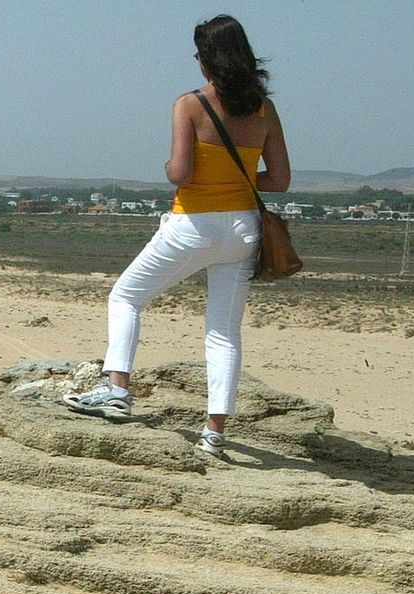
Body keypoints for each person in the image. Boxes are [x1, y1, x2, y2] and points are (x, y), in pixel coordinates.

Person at [64, 15, 289, 457]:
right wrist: (237, 178)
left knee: (125, 297)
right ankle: (215, 432)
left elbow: (180, 173)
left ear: (206, 59)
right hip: (243, 228)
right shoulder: (264, 108)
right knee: (224, 332)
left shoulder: (190, 104)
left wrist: (179, 171)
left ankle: (116, 390)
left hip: (193, 225)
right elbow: (279, 179)